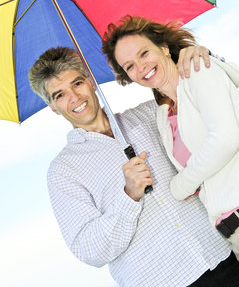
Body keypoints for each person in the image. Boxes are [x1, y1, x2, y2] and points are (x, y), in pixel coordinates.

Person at [28, 47, 239, 287]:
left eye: (77, 83)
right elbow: (90, 250)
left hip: (223, 258)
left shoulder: (150, 114)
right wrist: (130, 196)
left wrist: (195, 53)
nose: (74, 97)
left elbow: (209, 110)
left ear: (90, 81)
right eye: (60, 95)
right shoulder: (63, 172)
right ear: (53, 108)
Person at [102, 15, 239, 261]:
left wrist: (180, 186)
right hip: (231, 232)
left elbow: (226, 139)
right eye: (129, 66)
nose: (140, 67)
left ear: (164, 48)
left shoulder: (198, 71)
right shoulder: (164, 115)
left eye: (144, 53)